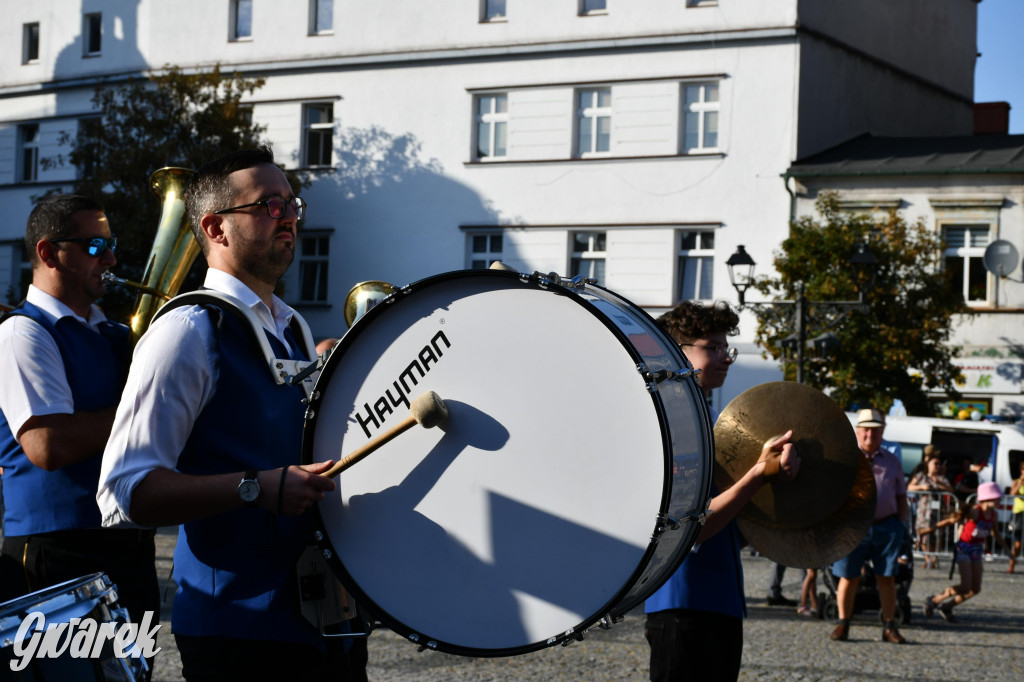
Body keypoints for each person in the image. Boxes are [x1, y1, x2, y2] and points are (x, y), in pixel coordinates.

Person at [97, 148, 363, 681]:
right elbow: (124, 493)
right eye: (269, 206)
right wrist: (254, 487)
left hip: (319, 616)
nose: (289, 217)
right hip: (238, 632)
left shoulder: (292, 327)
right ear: (216, 227)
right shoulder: (187, 330)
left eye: (291, 204)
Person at [0, 194, 159, 629]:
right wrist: (146, 411)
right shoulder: (22, 332)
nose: (109, 258)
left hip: (127, 543)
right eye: (93, 247)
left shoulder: (116, 334)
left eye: (110, 245)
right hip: (56, 549)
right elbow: (47, 444)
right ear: (49, 252)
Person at [644, 300, 800, 682]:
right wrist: (758, 476)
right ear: (675, 351)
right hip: (682, 602)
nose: (725, 357)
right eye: (711, 347)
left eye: (725, 347)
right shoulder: (671, 423)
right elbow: (688, 527)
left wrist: (777, 470)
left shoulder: (712, 420)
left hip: (720, 599)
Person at [829, 408, 908, 644]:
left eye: (875, 431)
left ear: (882, 432)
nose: (870, 436)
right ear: (857, 432)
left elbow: (901, 495)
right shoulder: (847, 459)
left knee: (887, 577)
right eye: (865, 431)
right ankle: (843, 624)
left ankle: (889, 626)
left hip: (887, 525)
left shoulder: (892, 461)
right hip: (852, 526)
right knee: (848, 576)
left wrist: (901, 525)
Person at [923, 481, 1009, 622]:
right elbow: (952, 520)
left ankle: (947, 607)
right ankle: (934, 600)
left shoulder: (994, 515)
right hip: (964, 549)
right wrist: (929, 529)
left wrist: (1007, 550)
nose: (1000, 500)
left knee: (975, 589)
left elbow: (996, 534)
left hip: (977, 550)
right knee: (965, 586)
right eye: (997, 497)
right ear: (987, 498)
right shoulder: (975, 511)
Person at [907, 449, 953, 569]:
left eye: (939, 464)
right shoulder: (921, 476)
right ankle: (928, 559)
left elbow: (951, 490)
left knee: (938, 535)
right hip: (924, 512)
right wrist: (922, 487)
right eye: (935, 463)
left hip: (939, 513)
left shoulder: (942, 479)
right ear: (928, 465)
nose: (937, 466)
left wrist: (939, 485)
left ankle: (933, 560)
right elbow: (910, 487)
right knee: (923, 536)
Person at [1009, 461, 1024, 573]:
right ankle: (1011, 566)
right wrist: (1021, 483)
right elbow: (1012, 494)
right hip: (1018, 514)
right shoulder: (1016, 481)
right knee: (1017, 544)